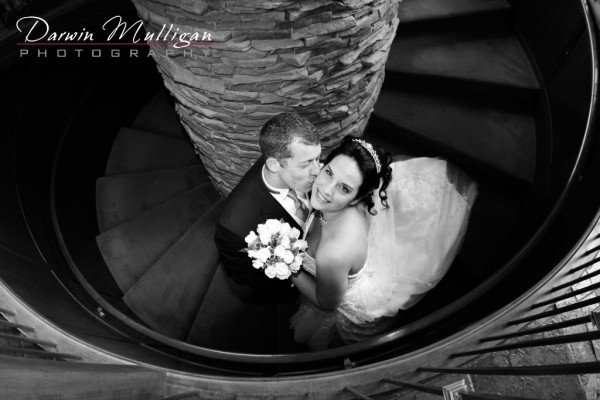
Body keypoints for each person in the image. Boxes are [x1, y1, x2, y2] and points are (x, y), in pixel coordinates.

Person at [290, 136, 478, 350]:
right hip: (363, 268)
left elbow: (326, 304)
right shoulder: (352, 203)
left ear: (356, 198)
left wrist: (287, 265)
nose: (326, 189)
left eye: (344, 188)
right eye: (329, 172)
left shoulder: (333, 253)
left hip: (346, 301)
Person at [214, 112, 321, 303]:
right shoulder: (235, 226)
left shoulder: (302, 170)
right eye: (306, 164)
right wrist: (284, 271)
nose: (318, 171)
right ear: (273, 165)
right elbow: (243, 275)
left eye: (318, 159)